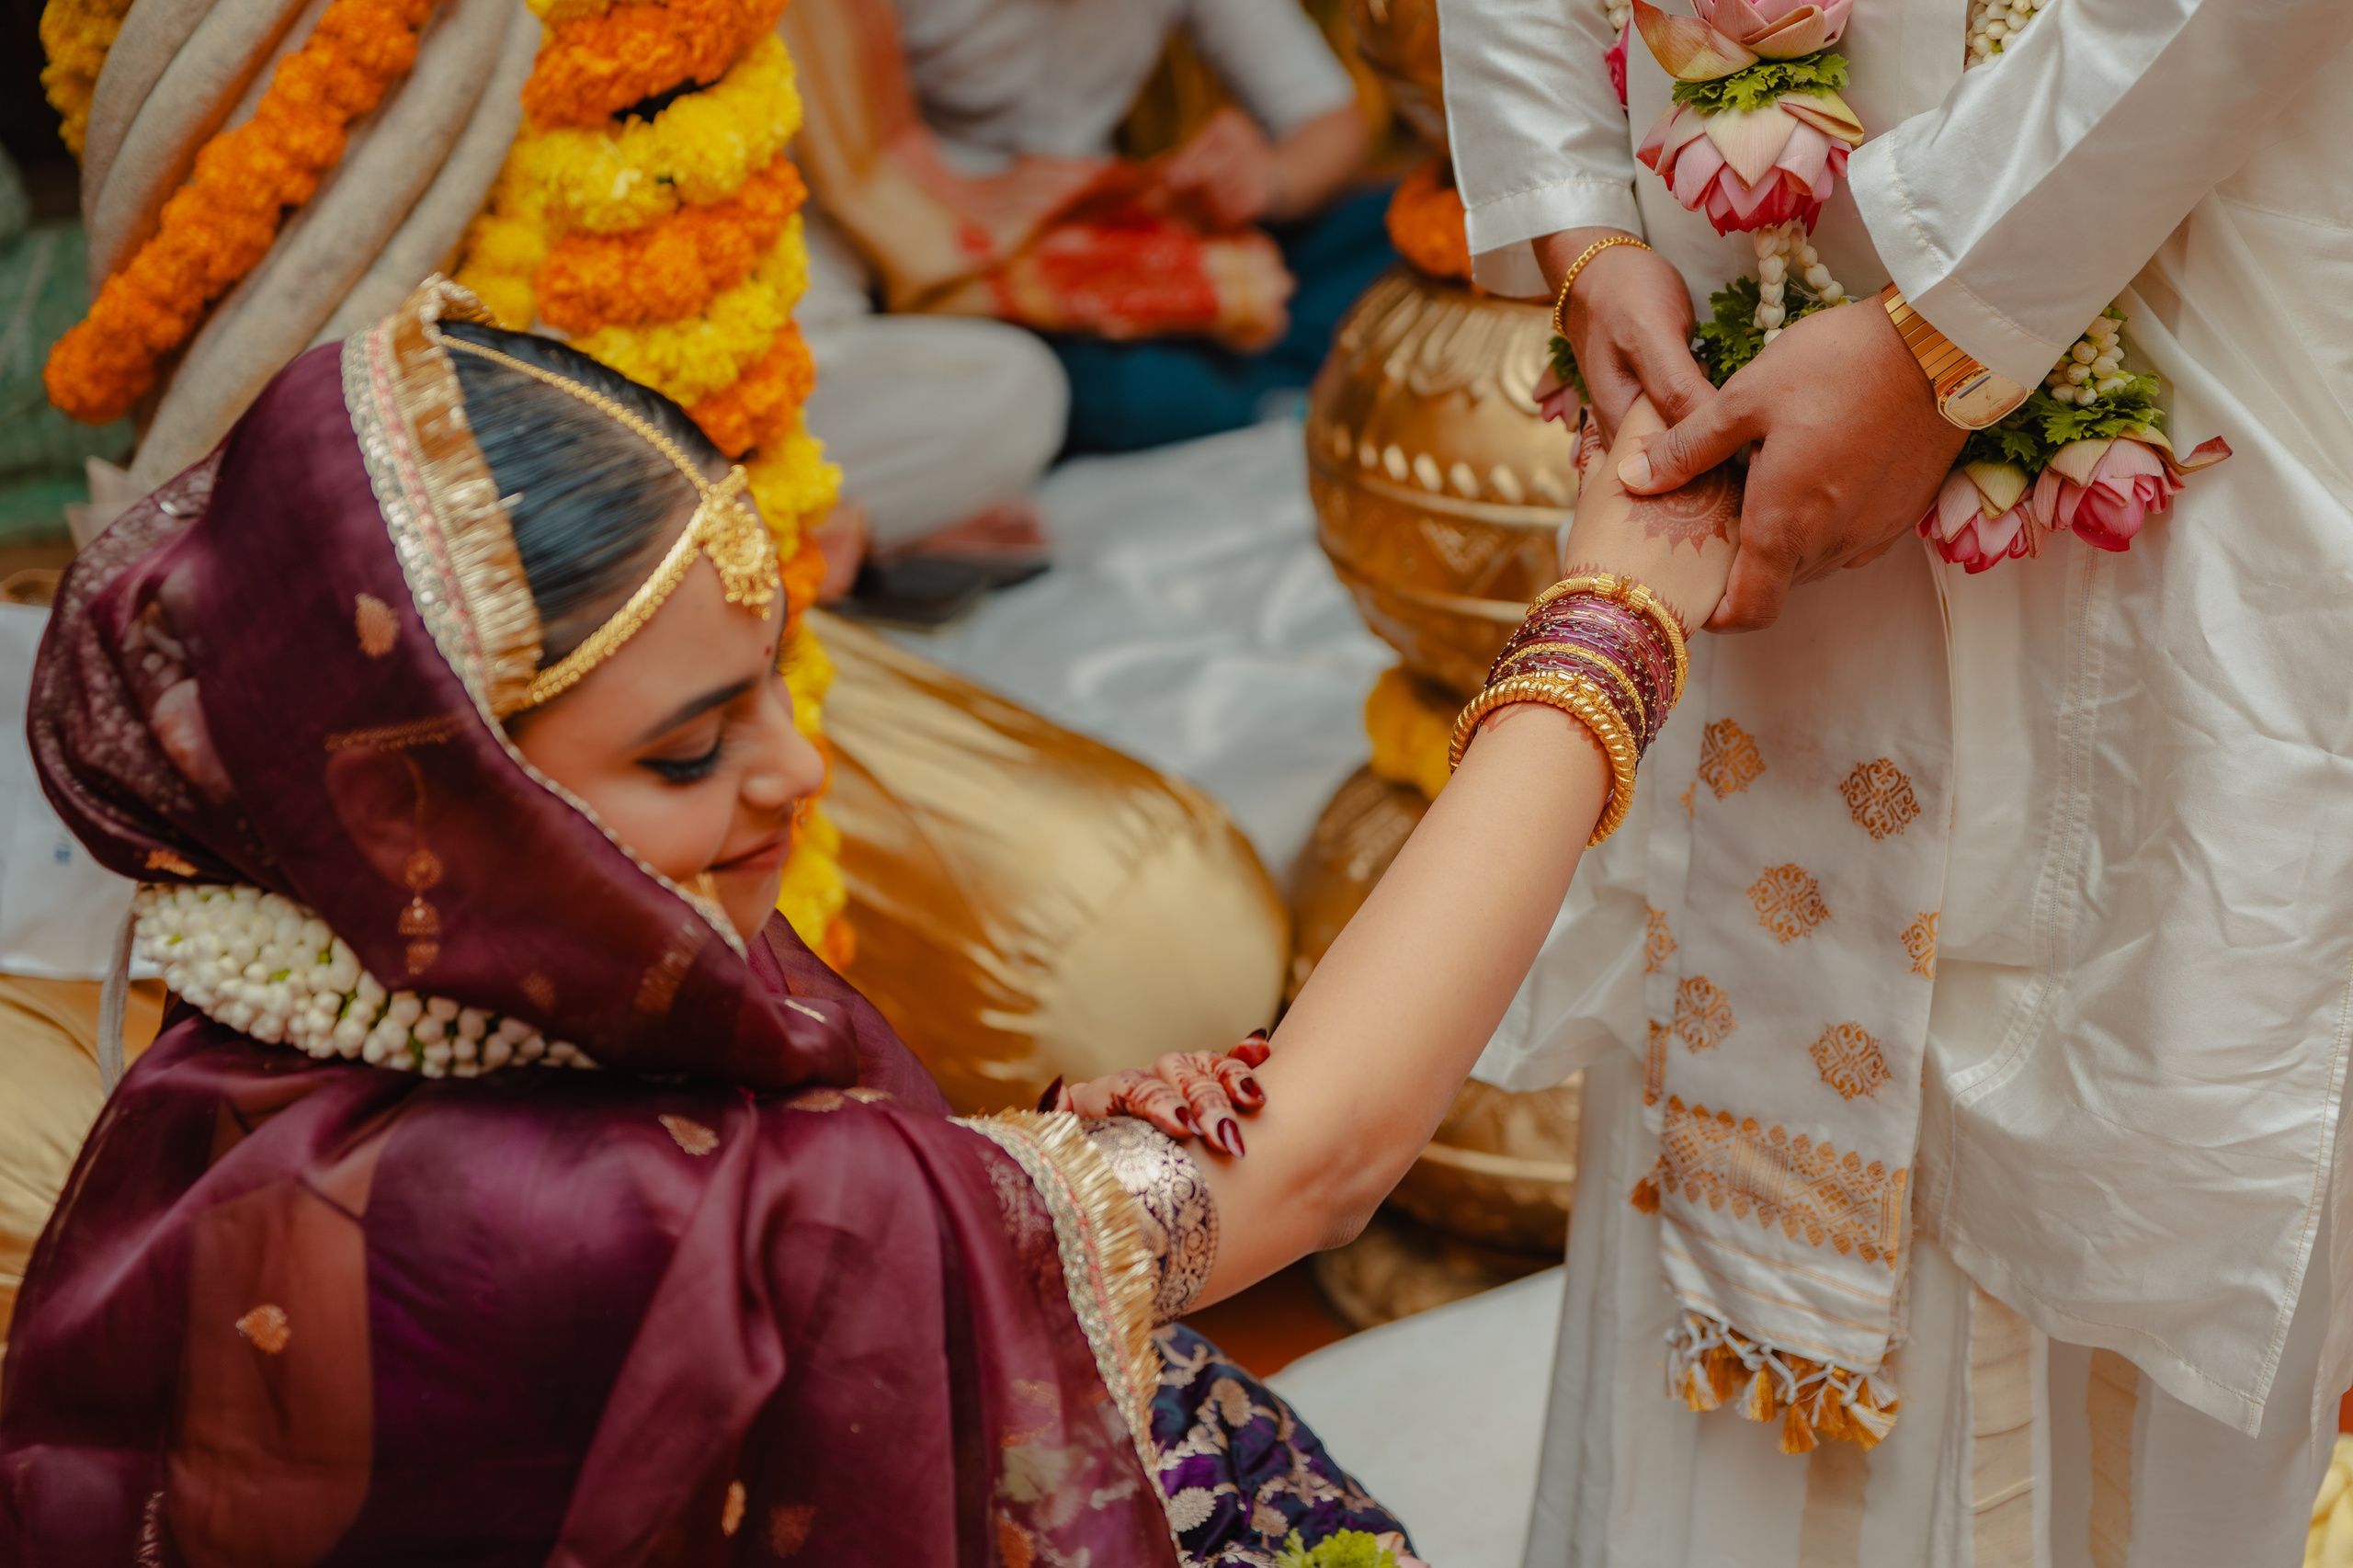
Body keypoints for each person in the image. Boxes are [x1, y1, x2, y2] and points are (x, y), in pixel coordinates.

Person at [0, 277, 1731, 1559]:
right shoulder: (597, 1221)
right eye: (690, 748)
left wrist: (994, 1174)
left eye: (771, 693)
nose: (796, 772)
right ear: (416, 800)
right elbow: (1327, 1158)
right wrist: (1610, 621)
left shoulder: (259, 1037)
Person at [1438, 0, 2353, 1562]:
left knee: (2123, 1007)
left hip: (2163, 251)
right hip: (1728, 300)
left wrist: (1946, 318)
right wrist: (1580, 222)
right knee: (1720, 960)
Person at [782, 0, 1387, 585]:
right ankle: (1283, 377)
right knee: (1117, 389)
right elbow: (853, 179)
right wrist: (982, 216)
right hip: (958, 278)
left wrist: (1268, 180)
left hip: (1120, 237)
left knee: (1394, 229)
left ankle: (1253, 376)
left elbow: (1329, 121)